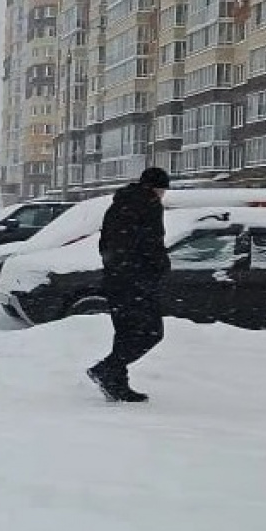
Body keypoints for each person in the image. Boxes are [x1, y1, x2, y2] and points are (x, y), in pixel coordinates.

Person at [87, 166, 172, 403]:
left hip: (116, 279)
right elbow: (152, 244)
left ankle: (116, 382)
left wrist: (116, 268)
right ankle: (107, 369)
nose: (163, 195)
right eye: (162, 190)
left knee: (125, 332)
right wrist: (160, 267)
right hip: (137, 282)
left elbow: (105, 244)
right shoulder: (149, 205)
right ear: (155, 188)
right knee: (152, 332)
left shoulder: (118, 205)